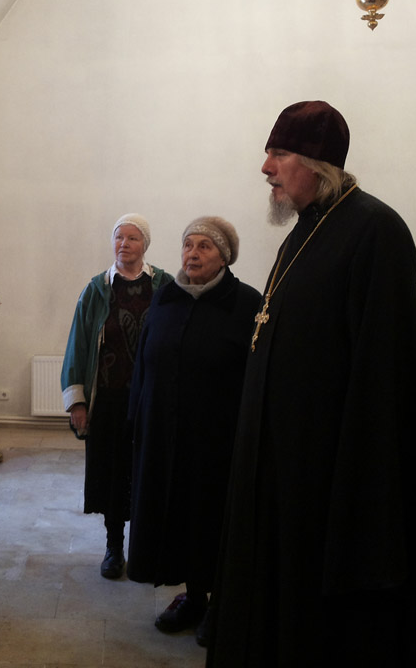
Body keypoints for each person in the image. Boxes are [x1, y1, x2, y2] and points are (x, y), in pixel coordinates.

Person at [209, 101, 416, 667]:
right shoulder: (306, 230)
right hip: (280, 469)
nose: (266, 167)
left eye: (279, 154)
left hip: (328, 477)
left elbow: (384, 375)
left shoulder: (375, 229)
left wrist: (359, 493)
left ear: (317, 163)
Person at [127, 216, 259, 646]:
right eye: (188, 244)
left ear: (224, 256)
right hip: (163, 435)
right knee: (177, 516)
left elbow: (256, 376)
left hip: (217, 440)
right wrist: (137, 417)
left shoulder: (246, 303)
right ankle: (194, 596)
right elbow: (144, 363)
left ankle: (221, 603)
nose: (193, 254)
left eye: (205, 246)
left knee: (212, 518)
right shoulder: (166, 298)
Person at [61, 213, 171, 579]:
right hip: (109, 401)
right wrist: (77, 402)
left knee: (148, 472)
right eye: (119, 237)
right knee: (113, 474)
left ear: (145, 244)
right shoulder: (97, 290)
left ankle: (146, 548)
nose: (124, 244)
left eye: (132, 238)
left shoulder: (165, 286)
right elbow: (78, 345)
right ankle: (113, 547)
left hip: (150, 402)